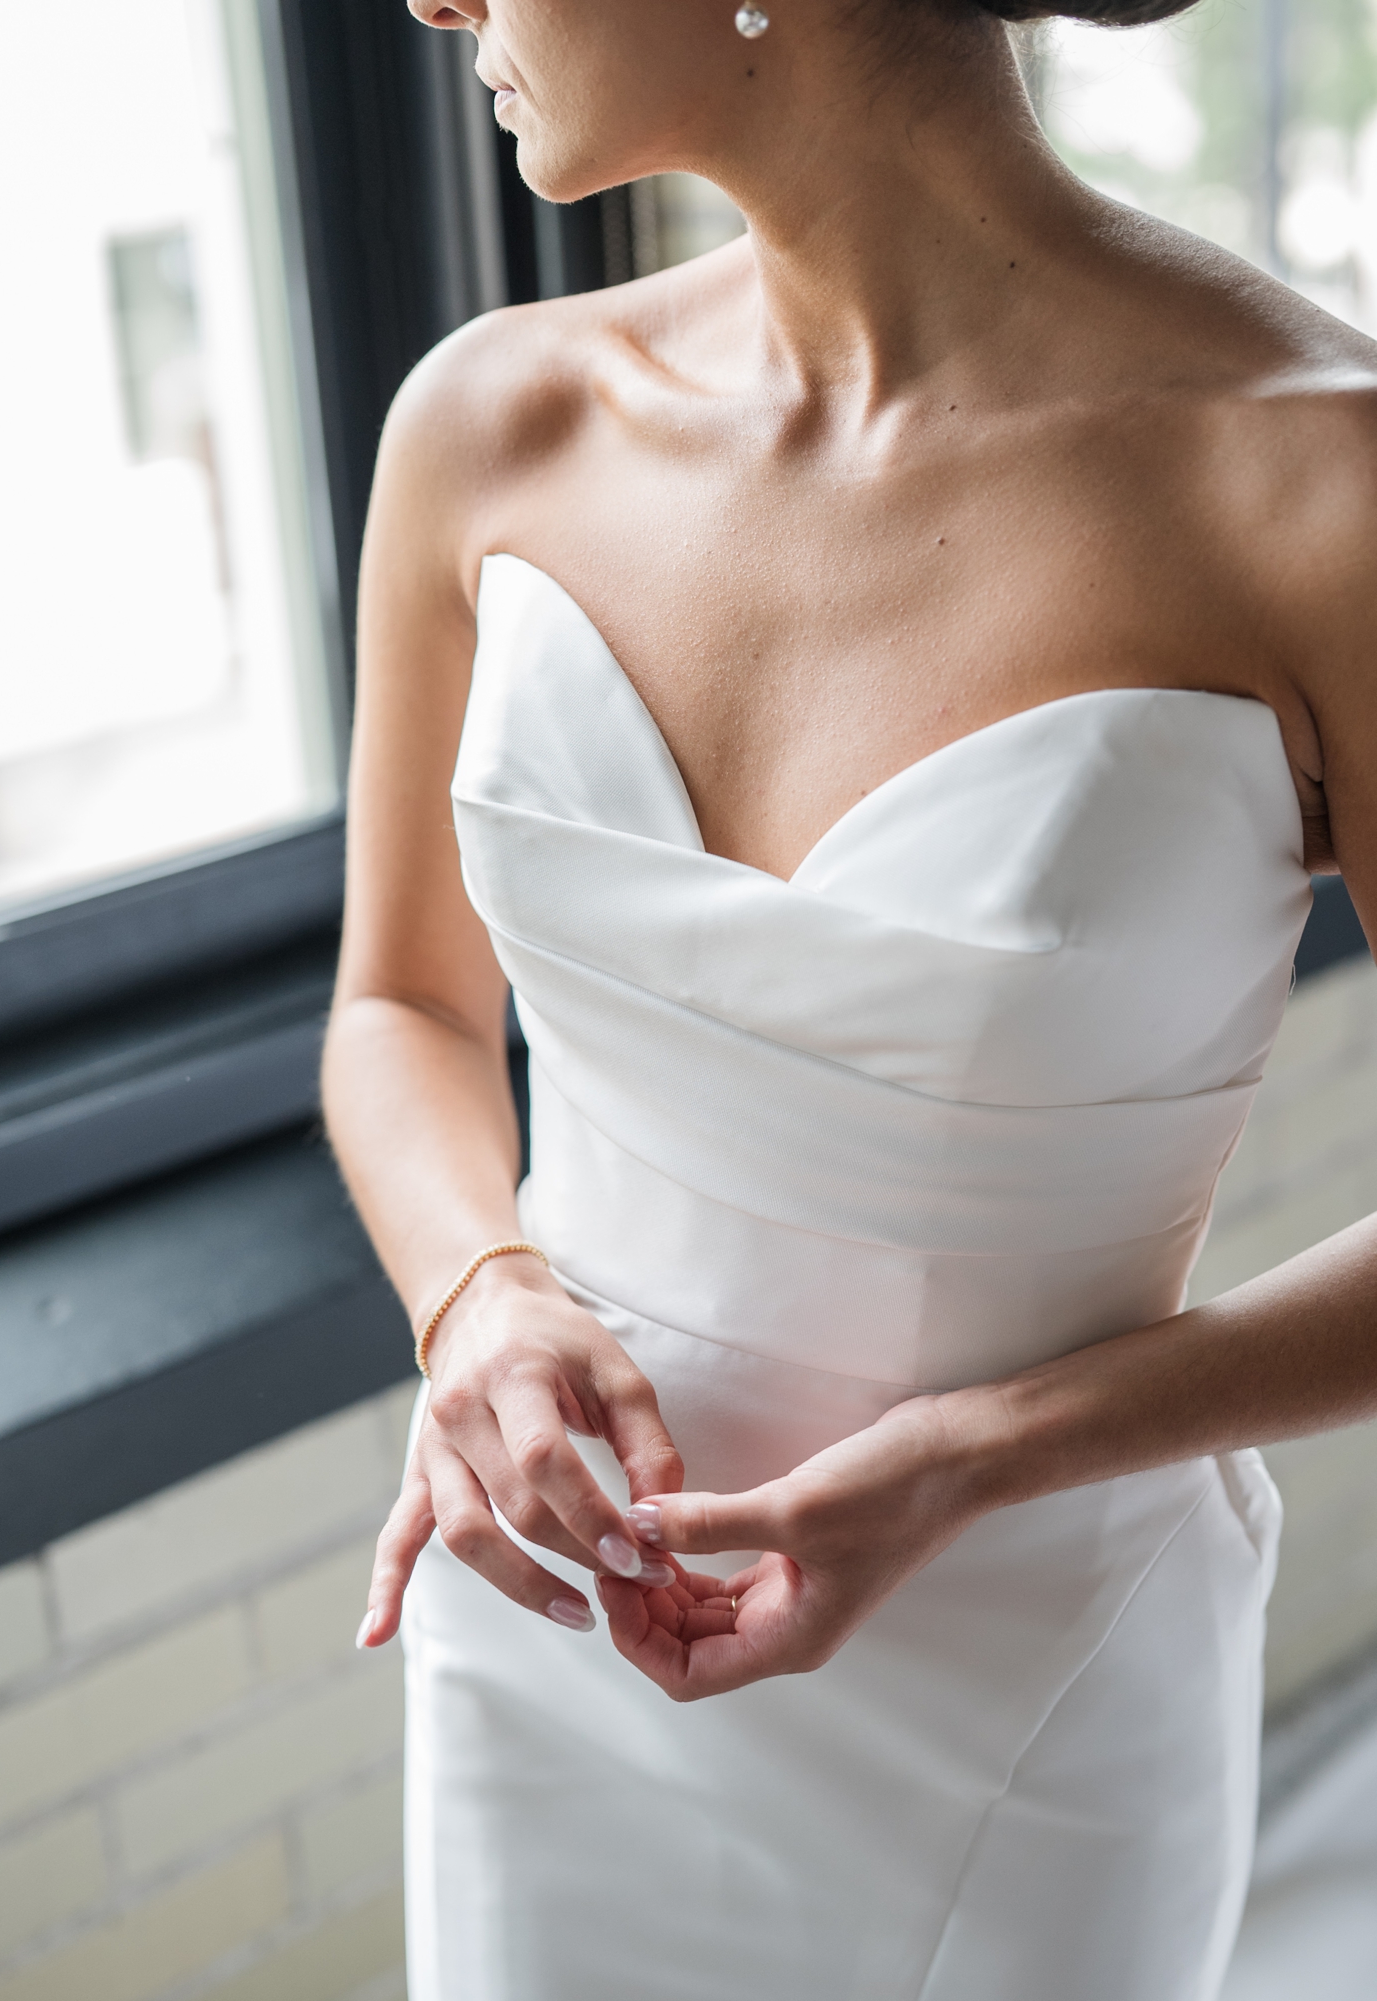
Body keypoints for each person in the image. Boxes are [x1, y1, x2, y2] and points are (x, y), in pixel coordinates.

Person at [321, 0, 1377, 1993]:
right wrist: (482, 1288)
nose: (435, 1)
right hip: (550, 1629)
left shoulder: (1317, 486)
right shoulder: (484, 427)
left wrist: (989, 1448)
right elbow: (403, 1007)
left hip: (1026, 1675)